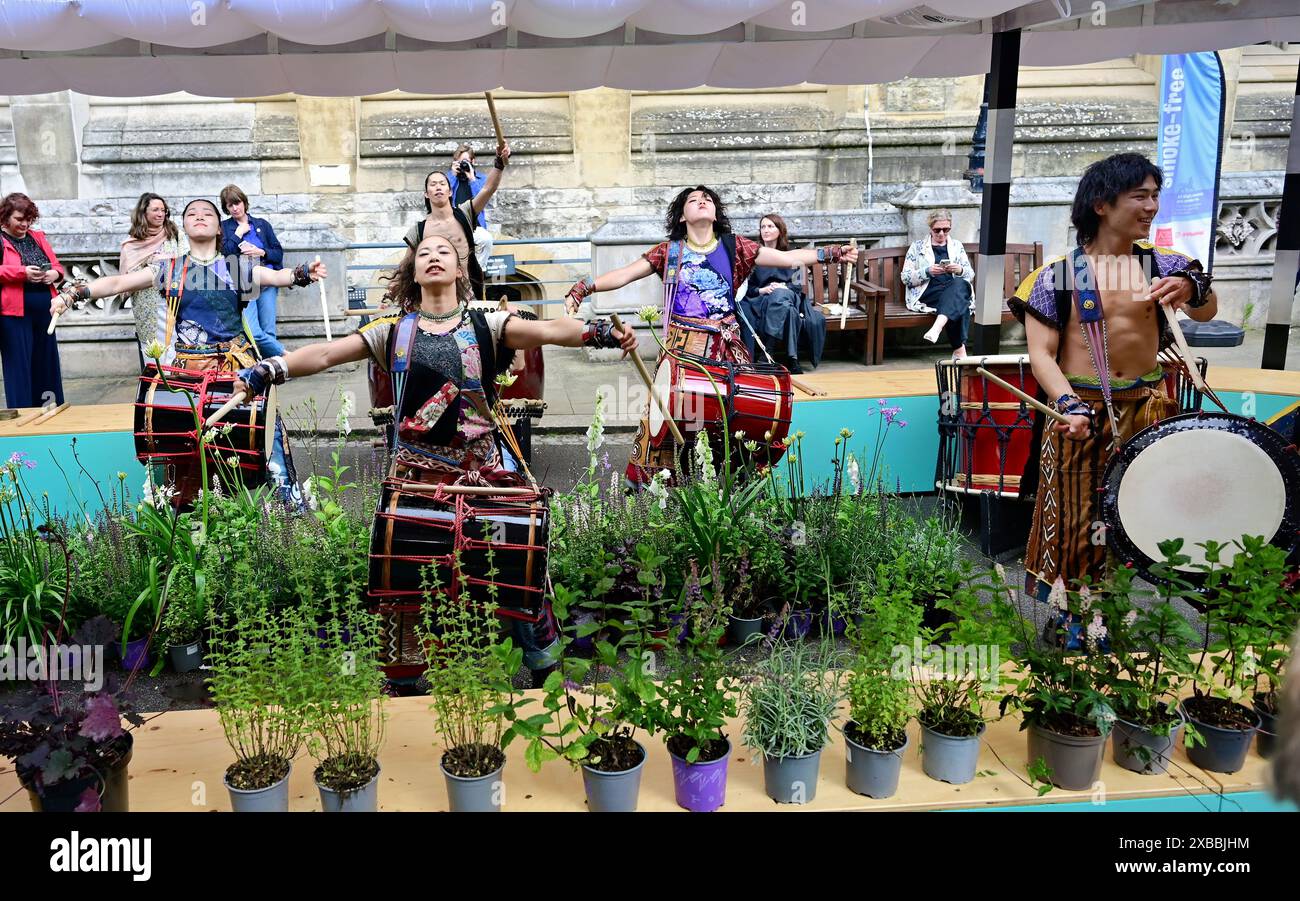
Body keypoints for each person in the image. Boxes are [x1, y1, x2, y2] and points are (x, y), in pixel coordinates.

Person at [233, 232, 637, 679]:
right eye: (423, 253)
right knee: (405, 571)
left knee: (516, 564)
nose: (434, 257)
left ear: (461, 269)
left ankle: (542, 665)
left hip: (485, 469)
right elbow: (327, 352)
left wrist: (600, 333)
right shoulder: (391, 331)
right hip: (416, 475)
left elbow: (548, 331)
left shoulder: (489, 326)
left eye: (444, 252)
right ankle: (406, 672)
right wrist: (270, 368)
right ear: (414, 272)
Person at [1009, 152, 1217, 644]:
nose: (1151, 206)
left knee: (1136, 509)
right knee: (1080, 512)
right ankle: (1077, 615)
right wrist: (1066, 404)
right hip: (1081, 407)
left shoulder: (1166, 264)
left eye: (1154, 195)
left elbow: (1207, 313)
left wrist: (1190, 286)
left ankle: (1117, 602)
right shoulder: (1057, 275)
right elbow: (1042, 356)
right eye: (1139, 196)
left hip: (1148, 405)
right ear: (1102, 204)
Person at [564, 185, 857, 485]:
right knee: (665, 422)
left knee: (736, 418)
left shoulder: (735, 247)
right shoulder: (669, 251)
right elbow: (624, 274)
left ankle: (731, 492)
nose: (702, 201)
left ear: (716, 213)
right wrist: (585, 286)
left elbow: (787, 258)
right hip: (682, 349)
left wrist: (831, 253)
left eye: (708, 199)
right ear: (681, 217)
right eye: (693, 200)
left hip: (727, 346)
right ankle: (657, 499)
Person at [51, 198, 324, 504]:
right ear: (183, 225)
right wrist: (74, 293)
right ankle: (194, 517)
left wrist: (303, 273)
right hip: (190, 374)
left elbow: (277, 276)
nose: (199, 217)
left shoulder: (237, 267)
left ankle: (288, 507)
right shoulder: (168, 268)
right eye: (192, 213)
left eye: (207, 213)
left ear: (219, 227)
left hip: (237, 369)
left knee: (264, 432)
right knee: (191, 447)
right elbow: (116, 282)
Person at [405, 142, 512, 302]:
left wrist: (499, 161)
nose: (438, 187)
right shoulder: (419, 229)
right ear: (426, 194)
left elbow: (487, 189)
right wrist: (388, 296)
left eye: (442, 184)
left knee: (485, 239)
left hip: (466, 295)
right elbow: (404, 267)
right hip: (433, 299)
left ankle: (481, 270)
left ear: (449, 191)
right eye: (433, 184)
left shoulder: (465, 213)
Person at [0, 193, 65, 409]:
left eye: (29, 218)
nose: (25, 223)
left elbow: (57, 265)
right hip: (13, 315)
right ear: (5, 217)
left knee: (47, 365)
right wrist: (22, 273)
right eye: (19, 219)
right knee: (19, 367)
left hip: (45, 310)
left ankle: (51, 411)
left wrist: (55, 274)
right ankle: (23, 416)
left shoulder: (37, 237)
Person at [738, 212, 825, 373]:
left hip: (788, 295)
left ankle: (768, 352)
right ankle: (792, 359)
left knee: (780, 296)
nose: (766, 230)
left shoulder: (794, 256)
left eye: (770, 226)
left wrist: (784, 287)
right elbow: (746, 288)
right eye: (763, 227)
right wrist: (762, 290)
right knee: (787, 309)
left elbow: (798, 286)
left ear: (780, 230)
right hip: (762, 300)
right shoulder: (754, 257)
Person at [219, 185, 285, 358]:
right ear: (225, 208)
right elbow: (224, 253)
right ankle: (288, 359)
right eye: (229, 205)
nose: (234, 208)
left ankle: (273, 370)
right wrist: (238, 233)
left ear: (244, 202)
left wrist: (262, 252)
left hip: (267, 281)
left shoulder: (262, 224)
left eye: (237, 203)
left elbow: (278, 254)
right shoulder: (224, 227)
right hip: (244, 284)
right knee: (253, 332)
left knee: (268, 331)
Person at [120, 192, 186, 364]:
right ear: (144, 213)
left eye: (163, 210)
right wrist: (149, 262)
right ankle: (157, 387)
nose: (160, 214)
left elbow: (188, 260)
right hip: (147, 305)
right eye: (155, 210)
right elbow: (126, 279)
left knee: (178, 348)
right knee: (155, 353)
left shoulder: (175, 234)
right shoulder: (132, 242)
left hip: (175, 301)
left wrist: (167, 258)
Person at [901, 209, 975, 358]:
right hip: (930, 292)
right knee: (960, 303)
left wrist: (959, 269)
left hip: (953, 289)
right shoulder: (917, 247)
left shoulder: (956, 246)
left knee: (959, 285)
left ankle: (938, 327)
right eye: (937, 230)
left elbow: (970, 274)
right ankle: (959, 350)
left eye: (946, 229)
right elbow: (906, 277)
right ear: (931, 228)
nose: (941, 233)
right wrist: (927, 271)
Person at [448, 144, 495, 272]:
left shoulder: (481, 179)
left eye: (466, 162)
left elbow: (483, 198)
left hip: (475, 226)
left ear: (473, 162)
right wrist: (452, 175)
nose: (463, 165)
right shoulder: (448, 179)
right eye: (459, 162)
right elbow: (443, 198)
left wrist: (472, 179)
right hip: (453, 226)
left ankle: (477, 274)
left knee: (486, 240)